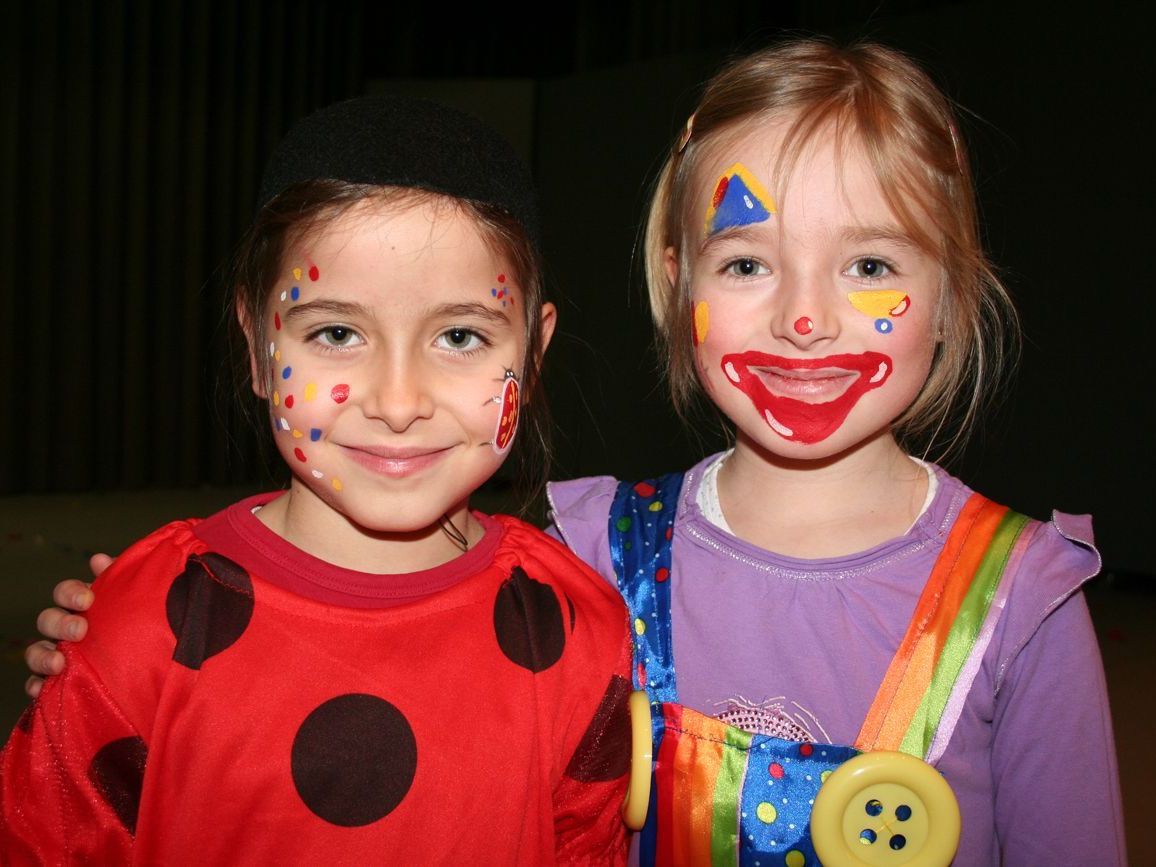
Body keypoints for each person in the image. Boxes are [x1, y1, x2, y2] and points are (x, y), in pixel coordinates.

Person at [24, 39, 1127, 866]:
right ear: (675, 279)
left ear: (954, 291)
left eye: (871, 264)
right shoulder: (595, 559)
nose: (804, 318)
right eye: (746, 263)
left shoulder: (1016, 601)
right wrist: (122, 641)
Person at [2, 95, 633, 865]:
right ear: (258, 348)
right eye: (336, 332)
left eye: (460, 335)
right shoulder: (144, 628)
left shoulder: (581, 637)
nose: (398, 402)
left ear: (533, 356)